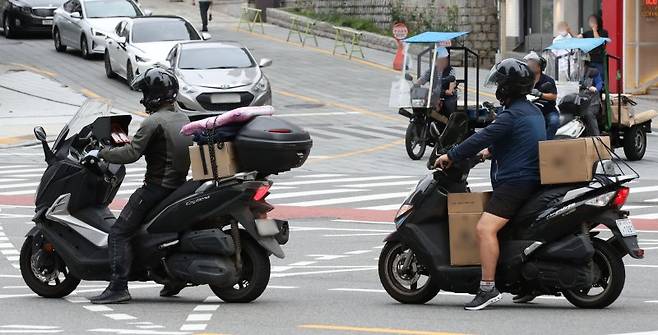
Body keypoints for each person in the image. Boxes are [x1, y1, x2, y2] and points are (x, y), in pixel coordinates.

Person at [434, 58, 546, 311]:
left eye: (499, 83)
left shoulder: (510, 116)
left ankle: (487, 288)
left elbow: (479, 137)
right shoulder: (532, 111)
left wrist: (451, 156)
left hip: (515, 182)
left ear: (507, 87)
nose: (496, 88)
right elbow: (520, 141)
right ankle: (524, 283)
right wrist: (490, 152)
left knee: (485, 229)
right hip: (529, 179)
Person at [89, 68, 193, 304]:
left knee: (118, 232)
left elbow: (132, 152)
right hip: (178, 185)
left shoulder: (153, 122)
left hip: (156, 188)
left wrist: (102, 153)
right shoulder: (182, 117)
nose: (143, 97)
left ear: (154, 95)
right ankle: (172, 279)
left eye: (145, 91)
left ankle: (118, 287)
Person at [524, 52, 560, 140]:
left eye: (533, 63)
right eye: (529, 63)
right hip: (531, 109)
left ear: (540, 67)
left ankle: (546, 143)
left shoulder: (548, 80)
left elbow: (553, 96)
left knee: (554, 122)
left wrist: (540, 94)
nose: (530, 65)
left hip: (547, 110)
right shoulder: (525, 79)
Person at [415, 47, 458, 116]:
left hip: (446, 95)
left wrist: (447, 91)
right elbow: (422, 79)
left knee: (449, 106)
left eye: (444, 59)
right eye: (439, 59)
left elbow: (451, 87)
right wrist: (415, 85)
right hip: (433, 94)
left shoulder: (450, 70)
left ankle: (449, 121)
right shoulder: (432, 70)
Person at [579, 15, 609, 87]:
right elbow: (578, 37)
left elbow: (598, 41)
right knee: (588, 78)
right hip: (589, 60)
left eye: (593, 21)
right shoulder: (587, 33)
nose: (591, 23)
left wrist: (594, 29)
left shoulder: (603, 32)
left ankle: (600, 92)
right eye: (590, 21)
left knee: (600, 78)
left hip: (599, 60)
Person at [580, 65, 604, 136]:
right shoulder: (574, 74)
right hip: (579, 102)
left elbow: (599, 83)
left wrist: (595, 88)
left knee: (588, 113)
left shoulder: (594, 72)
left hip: (592, 103)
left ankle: (596, 136)